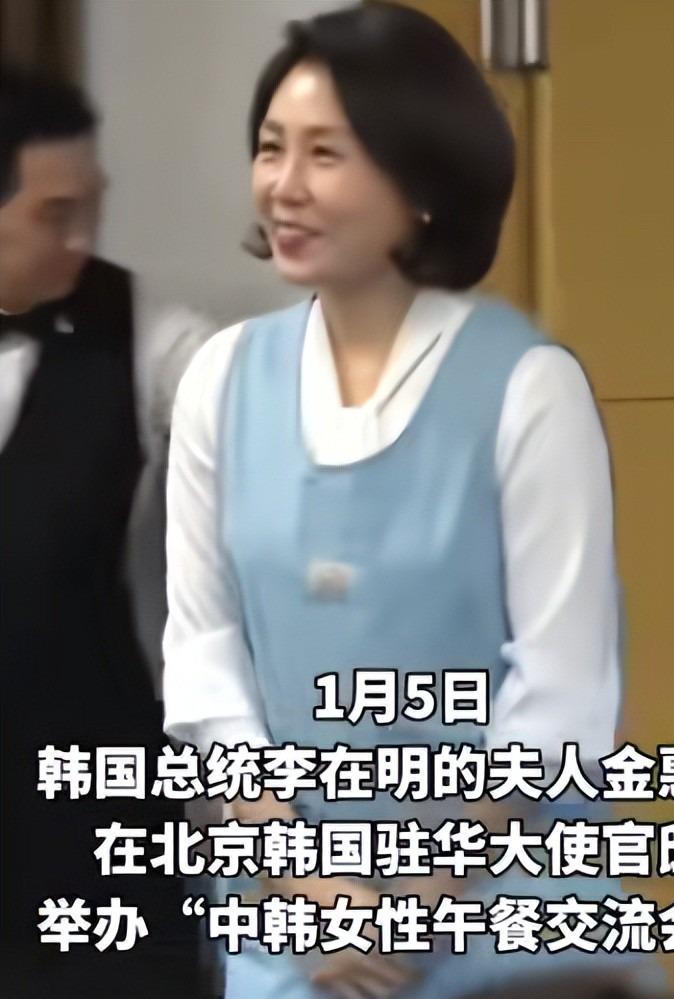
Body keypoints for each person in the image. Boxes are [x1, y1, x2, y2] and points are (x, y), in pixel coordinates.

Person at [163, 4, 663, 998]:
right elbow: (205, 660)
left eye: (326, 154)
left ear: (423, 179)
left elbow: (562, 695)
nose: (285, 185)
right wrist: (306, 884)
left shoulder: (527, 387)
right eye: (271, 148)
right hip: (296, 929)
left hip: (506, 922)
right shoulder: (222, 377)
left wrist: (417, 900)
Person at [0, 64, 210, 997]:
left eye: (92, 206)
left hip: (100, 844)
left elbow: (260, 414)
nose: (83, 240)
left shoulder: (148, 338)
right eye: (55, 214)